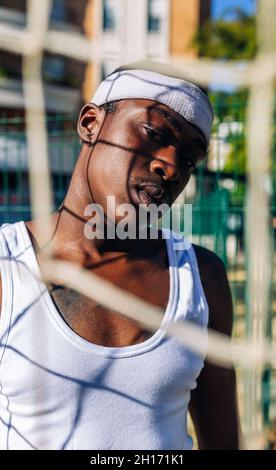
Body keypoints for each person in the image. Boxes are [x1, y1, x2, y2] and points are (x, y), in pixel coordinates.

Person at [0, 60, 239, 450]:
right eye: (153, 133)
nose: (171, 165)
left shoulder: (199, 277)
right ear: (90, 123)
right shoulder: (8, 266)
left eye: (190, 159)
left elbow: (224, 442)